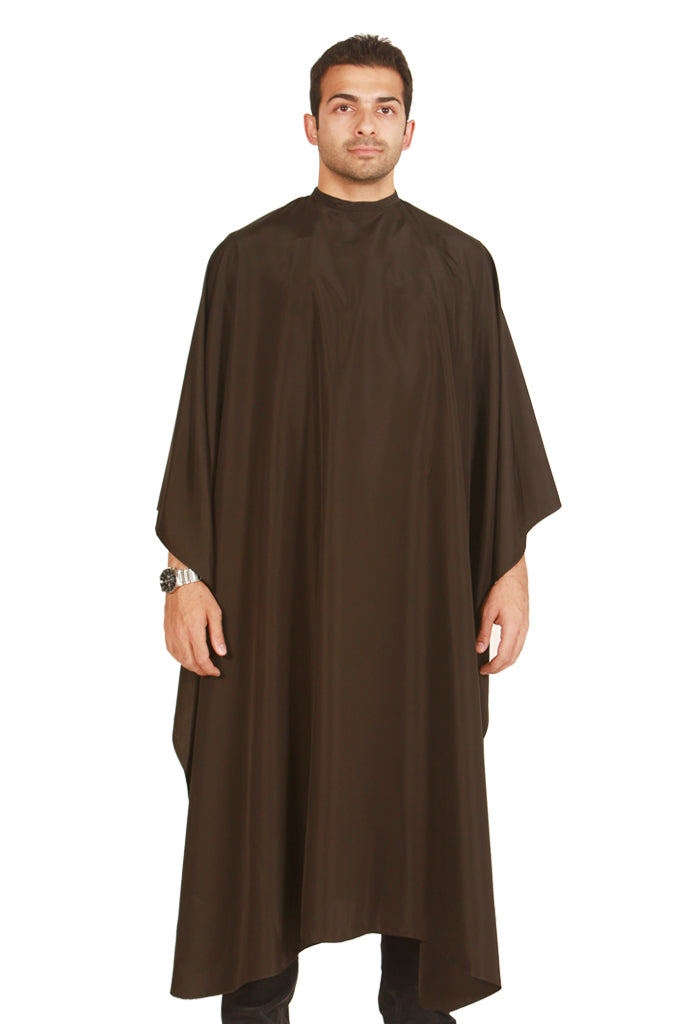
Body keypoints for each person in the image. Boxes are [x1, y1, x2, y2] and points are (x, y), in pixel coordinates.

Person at [155, 33, 562, 1024]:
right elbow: (201, 429)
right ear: (310, 125)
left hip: (418, 603)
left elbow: (492, 432)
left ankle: (414, 1006)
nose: (364, 124)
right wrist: (182, 578)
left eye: (384, 108)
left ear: (411, 130)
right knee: (262, 778)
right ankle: (258, 1005)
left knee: (416, 794)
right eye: (343, 106)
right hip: (273, 599)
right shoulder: (247, 264)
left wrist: (508, 568)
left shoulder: (457, 267)